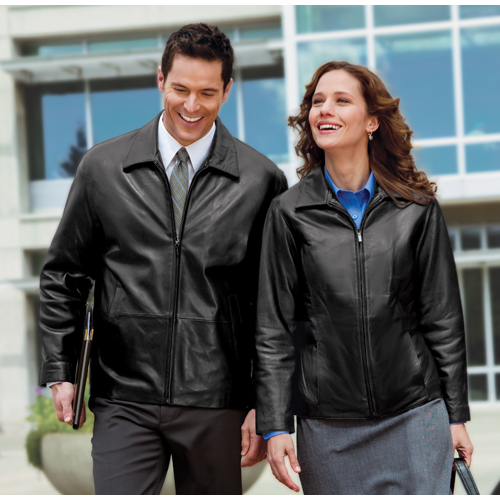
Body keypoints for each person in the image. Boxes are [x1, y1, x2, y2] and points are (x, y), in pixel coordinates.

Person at [38, 23, 287, 495]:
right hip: (123, 396)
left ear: (227, 90)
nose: (192, 106)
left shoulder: (261, 181)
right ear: (160, 80)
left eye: (207, 93)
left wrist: (265, 404)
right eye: (180, 89)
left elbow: (273, 306)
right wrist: (60, 371)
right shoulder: (103, 169)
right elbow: (63, 276)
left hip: (217, 400)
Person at [254, 61, 473, 495]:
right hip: (327, 427)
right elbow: (273, 329)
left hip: (415, 415)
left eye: (341, 100)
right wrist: (275, 425)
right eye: (318, 102)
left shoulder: (416, 208)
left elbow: (443, 318)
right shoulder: (289, 213)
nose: (324, 110)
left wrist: (455, 416)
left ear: (372, 121)